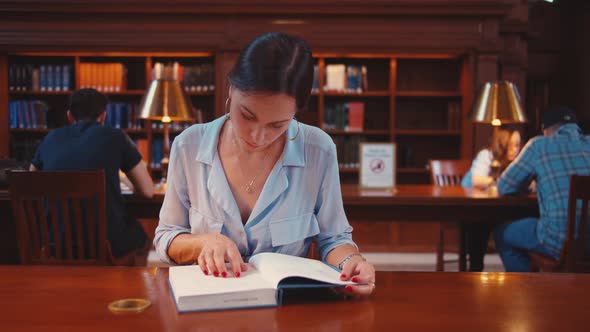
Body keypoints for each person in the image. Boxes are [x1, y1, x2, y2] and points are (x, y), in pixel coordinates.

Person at [154, 32, 375, 296]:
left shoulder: (319, 150)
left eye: (277, 125)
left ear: (295, 113)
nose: (258, 136)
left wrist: (352, 263)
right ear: (231, 89)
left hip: (284, 310)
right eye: (247, 115)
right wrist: (202, 243)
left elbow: (333, 240)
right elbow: (167, 237)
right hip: (208, 305)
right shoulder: (188, 146)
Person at [30, 88, 154, 262]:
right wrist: (120, 176)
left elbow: (31, 183)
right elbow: (147, 191)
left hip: (55, 243)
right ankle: (129, 286)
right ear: (103, 116)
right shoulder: (116, 137)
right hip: (104, 245)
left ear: (69, 116)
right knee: (141, 236)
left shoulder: (51, 138)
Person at [494, 106, 590, 272]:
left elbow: (504, 186)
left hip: (561, 243)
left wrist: (529, 186)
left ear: (546, 131)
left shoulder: (539, 145)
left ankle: (527, 292)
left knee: (503, 233)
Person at [461, 125, 522, 271]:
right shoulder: (486, 155)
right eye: (513, 145)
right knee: (480, 221)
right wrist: (502, 181)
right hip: (473, 206)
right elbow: (477, 180)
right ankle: (475, 268)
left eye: (519, 145)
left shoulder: (518, 160)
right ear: (503, 144)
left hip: (501, 205)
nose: (517, 149)